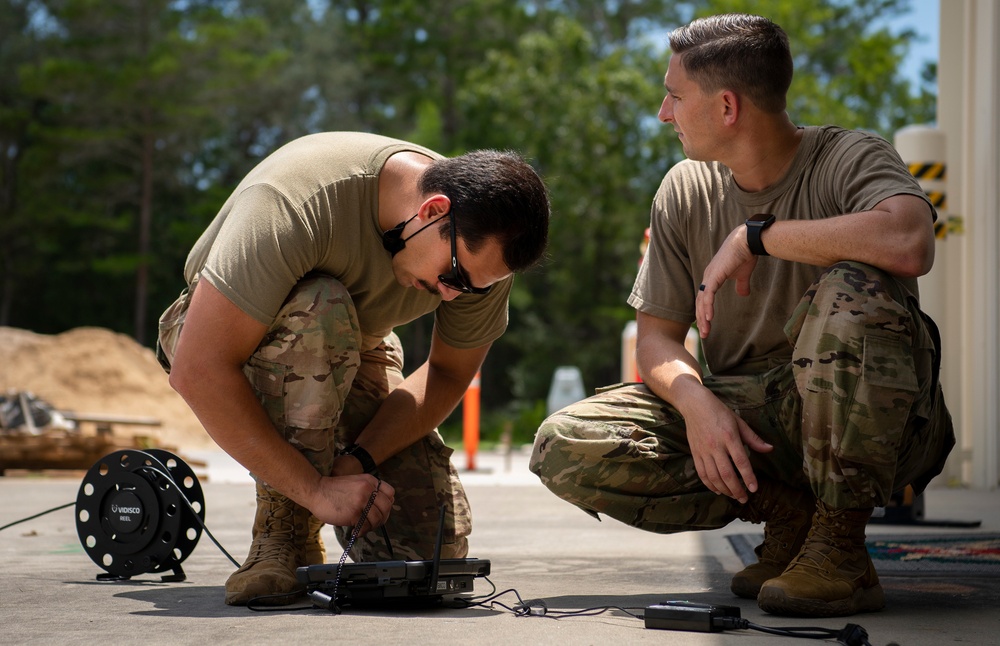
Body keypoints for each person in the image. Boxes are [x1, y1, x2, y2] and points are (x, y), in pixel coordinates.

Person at [529, 14, 954, 618]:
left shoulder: (848, 157)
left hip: (883, 423)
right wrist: (696, 404)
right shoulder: (685, 189)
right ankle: (789, 516)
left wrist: (760, 237)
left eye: (675, 96)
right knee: (566, 443)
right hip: (752, 418)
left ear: (727, 107)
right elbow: (655, 341)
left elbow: (911, 241)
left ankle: (839, 546)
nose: (662, 113)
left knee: (851, 290)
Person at [156, 131, 550, 605]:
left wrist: (357, 461)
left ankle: (315, 515)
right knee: (322, 307)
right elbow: (200, 369)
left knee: (426, 555)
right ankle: (283, 532)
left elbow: (446, 373)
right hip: (220, 330)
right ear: (432, 212)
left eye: (473, 288)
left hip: (357, 342)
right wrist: (315, 491)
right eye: (454, 278)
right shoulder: (296, 201)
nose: (453, 295)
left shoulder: (484, 251)